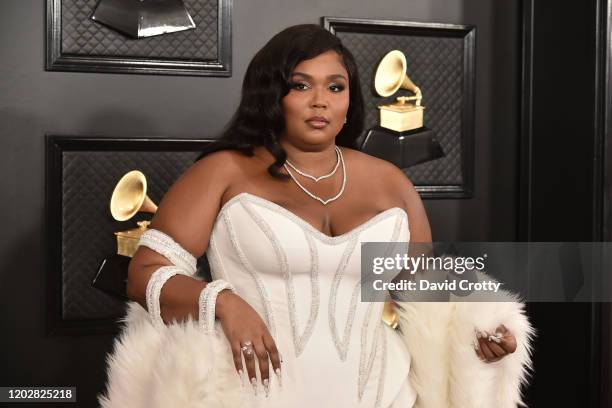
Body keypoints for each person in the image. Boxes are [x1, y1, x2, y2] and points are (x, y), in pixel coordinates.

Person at [99, 25, 533, 408]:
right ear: (273, 95)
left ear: (350, 99)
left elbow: (421, 290)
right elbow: (144, 273)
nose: (320, 102)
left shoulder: (391, 183)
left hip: (385, 394)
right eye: (301, 86)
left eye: (335, 87)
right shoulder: (223, 172)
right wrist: (224, 302)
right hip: (252, 394)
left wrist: (480, 329)